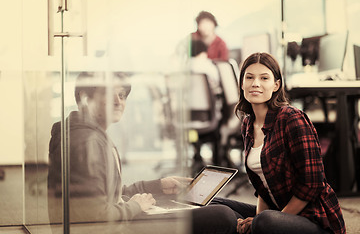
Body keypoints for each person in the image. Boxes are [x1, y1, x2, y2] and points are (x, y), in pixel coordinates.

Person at [47, 71, 237, 234]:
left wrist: (156, 186)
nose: (117, 101)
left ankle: (262, 217)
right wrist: (135, 206)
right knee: (222, 215)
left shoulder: (85, 134)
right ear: (84, 98)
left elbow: (105, 195)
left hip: (114, 222)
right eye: (109, 94)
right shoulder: (86, 143)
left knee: (214, 203)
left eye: (121, 95)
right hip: (113, 229)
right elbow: (95, 217)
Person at [212, 52, 346, 234]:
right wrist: (256, 220)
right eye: (249, 77)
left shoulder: (291, 117)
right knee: (216, 204)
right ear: (242, 83)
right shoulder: (247, 124)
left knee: (264, 222)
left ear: (276, 85)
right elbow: (262, 187)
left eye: (264, 78)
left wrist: (260, 221)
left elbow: (313, 183)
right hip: (277, 212)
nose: (255, 83)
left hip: (313, 219)